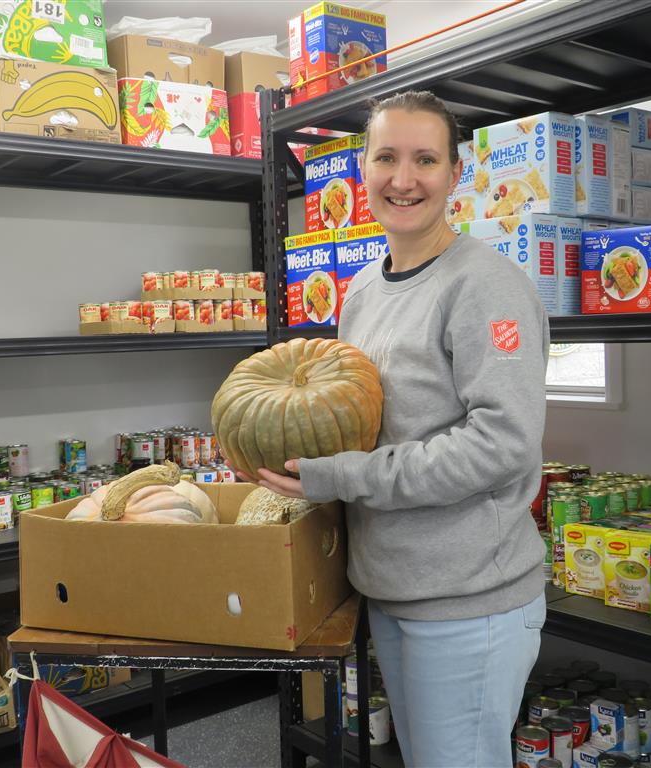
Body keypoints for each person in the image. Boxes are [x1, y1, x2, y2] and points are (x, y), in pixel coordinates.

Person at [257, 91, 549, 768]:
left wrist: (341, 476)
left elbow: (502, 444)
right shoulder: (362, 289)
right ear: (363, 168)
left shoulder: (485, 286)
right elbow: (363, 421)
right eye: (386, 157)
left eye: (425, 159)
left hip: (468, 601)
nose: (404, 178)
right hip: (390, 590)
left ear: (456, 173)